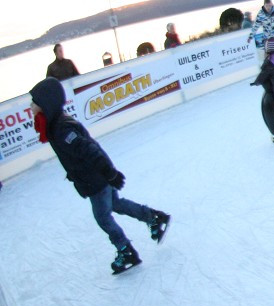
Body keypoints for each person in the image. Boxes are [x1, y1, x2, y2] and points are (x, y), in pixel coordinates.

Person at [28, 77, 170, 274]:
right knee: (116, 205)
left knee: (103, 217)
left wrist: (109, 173)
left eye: (34, 101)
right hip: (93, 176)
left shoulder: (61, 128)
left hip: (95, 178)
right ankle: (154, 218)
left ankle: (125, 250)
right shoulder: (54, 125)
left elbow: (89, 149)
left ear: (46, 103)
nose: (31, 105)